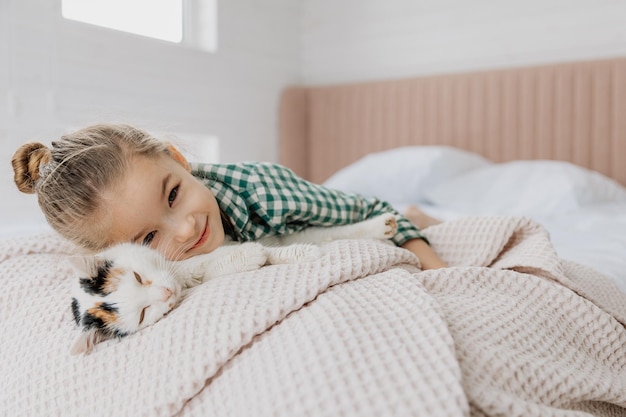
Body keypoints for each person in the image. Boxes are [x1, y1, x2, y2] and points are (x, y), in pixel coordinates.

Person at [11, 123, 447, 269]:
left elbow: (371, 209)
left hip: (317, 211)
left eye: (174, 194)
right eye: (146, 240)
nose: (185, 226)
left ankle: (421, 213)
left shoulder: (266, 194)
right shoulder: (118, 265)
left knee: (394, 213)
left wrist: (433, 265)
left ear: (179, 160)